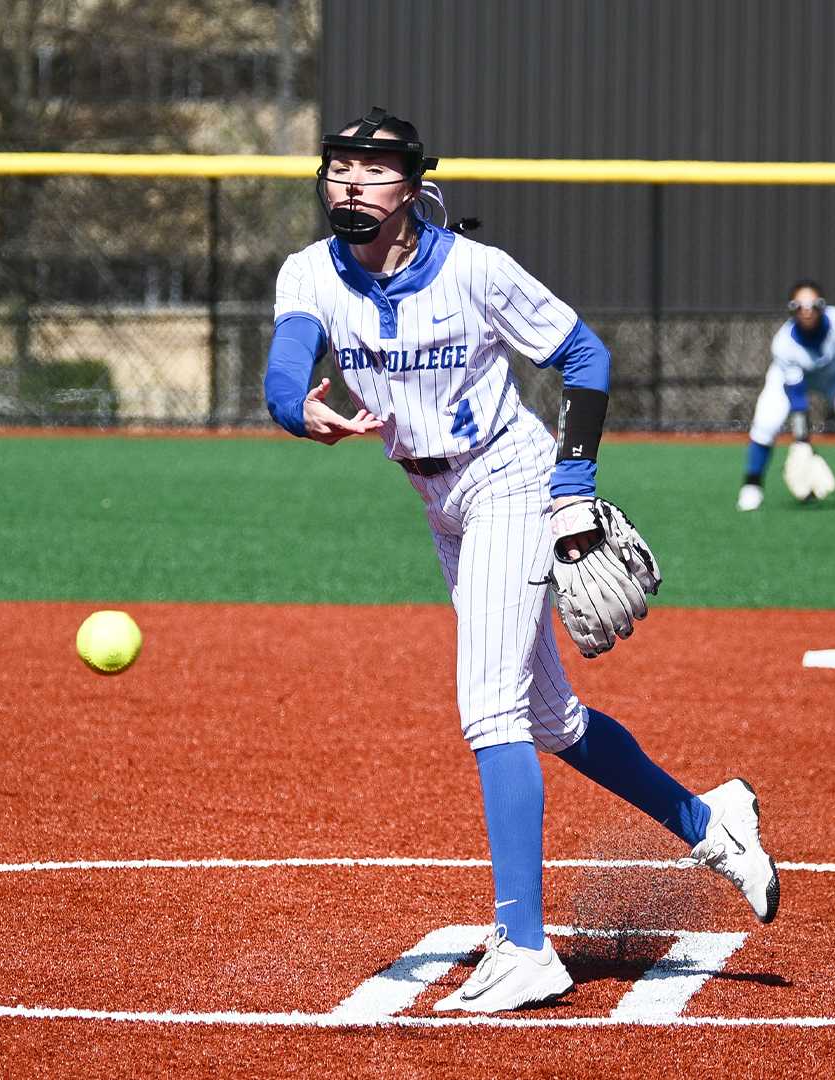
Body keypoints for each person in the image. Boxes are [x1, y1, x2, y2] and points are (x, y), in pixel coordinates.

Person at [263, 109, 779, 1013]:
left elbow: (584, 355)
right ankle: (710, 821)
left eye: (372, 169)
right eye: (338, 167)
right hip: (439, 501)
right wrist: (297, 409)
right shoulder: (311, 272)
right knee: (548, 714)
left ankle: (528, 947)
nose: (350, 183)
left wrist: (573, 484)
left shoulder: (473, 270)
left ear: (413, 185)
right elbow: (284, 366)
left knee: (489, 706)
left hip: (510, 480)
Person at [737, 281, 835, 512]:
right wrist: (803, 442)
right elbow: (797, 394)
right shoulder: (783, 343)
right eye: (799, 305)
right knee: (765, 424)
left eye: (813, 304)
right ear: (790, 309)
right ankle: (752, 488)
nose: (807, 310)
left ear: (824, 305)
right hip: (790, 379)